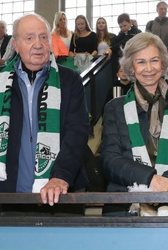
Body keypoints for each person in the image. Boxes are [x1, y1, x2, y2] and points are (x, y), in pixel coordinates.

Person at [101, 32, 168, 216]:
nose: (148, 68)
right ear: (131, 66)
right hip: (126, 205)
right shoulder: (114, 108)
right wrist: (150, 180)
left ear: (163, 63)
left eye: (154, 60)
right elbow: (110, 160)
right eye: (141, 62)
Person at [0, 14, 90, 207]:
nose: (38, 44)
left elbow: (77, 133)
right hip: (7, 196)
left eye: (43, 37)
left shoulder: (70, 81)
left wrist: (61, 177)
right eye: (29, 38)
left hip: (60, 194)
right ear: (15, 45)